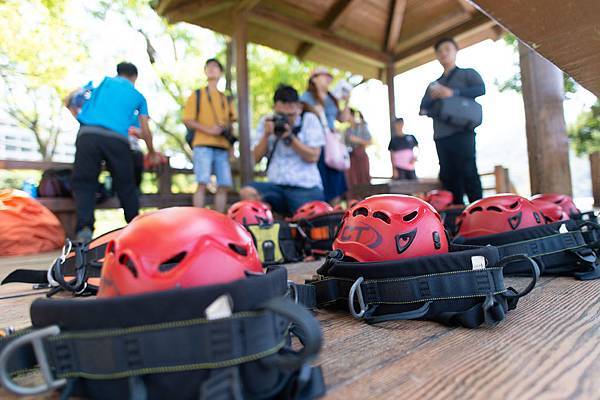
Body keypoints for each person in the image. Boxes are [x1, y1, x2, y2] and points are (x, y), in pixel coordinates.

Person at [72, 62, 157, 242]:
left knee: (85, 183)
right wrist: (151, 151)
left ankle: (84, 229)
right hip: (116, 139)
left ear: (118, 73)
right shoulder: (137, 96)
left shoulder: (102, 84)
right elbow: (145, 129)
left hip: (88, 133)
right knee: (127, 184)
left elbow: (72, 99)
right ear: (134, 77)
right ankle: (135, 228)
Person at [239, 85, 325, 216]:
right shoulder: (267, 122)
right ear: (274, 108)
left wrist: (290, 137)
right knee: (247, 191)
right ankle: (265, 227)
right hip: (276, 187)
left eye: (290, 115)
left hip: (305, 188)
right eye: (281, 115)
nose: (285, 119)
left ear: (299, 108)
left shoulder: (309, 120)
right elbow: (254, 159)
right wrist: (266, 135)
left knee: (306, 224)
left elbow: (313, 156)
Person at [420, 37, 485, 205]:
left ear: (456, 51)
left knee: (469, 172)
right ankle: (455, 215)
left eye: (447, 49)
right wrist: (435, 98)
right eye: (439, 51)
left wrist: (452, 93)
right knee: (448, 176)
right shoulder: (433, 85)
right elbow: (423, 108)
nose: (443, 53)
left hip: (463, 131)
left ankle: (478, 210)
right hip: (441, 136)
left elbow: (481, 89)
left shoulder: (467, 73)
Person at [183, 58, 236, 213]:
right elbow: (188, 120)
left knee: (224, 184)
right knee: (202, 182)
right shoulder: (197, 94)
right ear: (205, 71)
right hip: (202, 144)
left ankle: (219, 218)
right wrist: (209, 130)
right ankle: (199, 216)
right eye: (209, 67)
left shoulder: (226, 99)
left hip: (222, 146)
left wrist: (231, 145)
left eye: (216, 67)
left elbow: (231, 122)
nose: (212, 69)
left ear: (220, 72)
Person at [300, 67, 350, 204]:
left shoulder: (332, 98)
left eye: (330, 77)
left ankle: (335, 215)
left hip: (333, 146)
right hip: (318, 145)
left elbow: (344, 118)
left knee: (335, 186)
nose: (328, 79)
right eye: (325, 75)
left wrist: (347, 101)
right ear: (314, 78)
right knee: (323, 185)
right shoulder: (306, 98)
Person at [345, 109, 372, 189]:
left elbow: (369, 141)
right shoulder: (347, 130)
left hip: (361, 155)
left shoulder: (362, 126)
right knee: (352, 179)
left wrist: (357, 140)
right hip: (351, 156)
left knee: (363, 178)